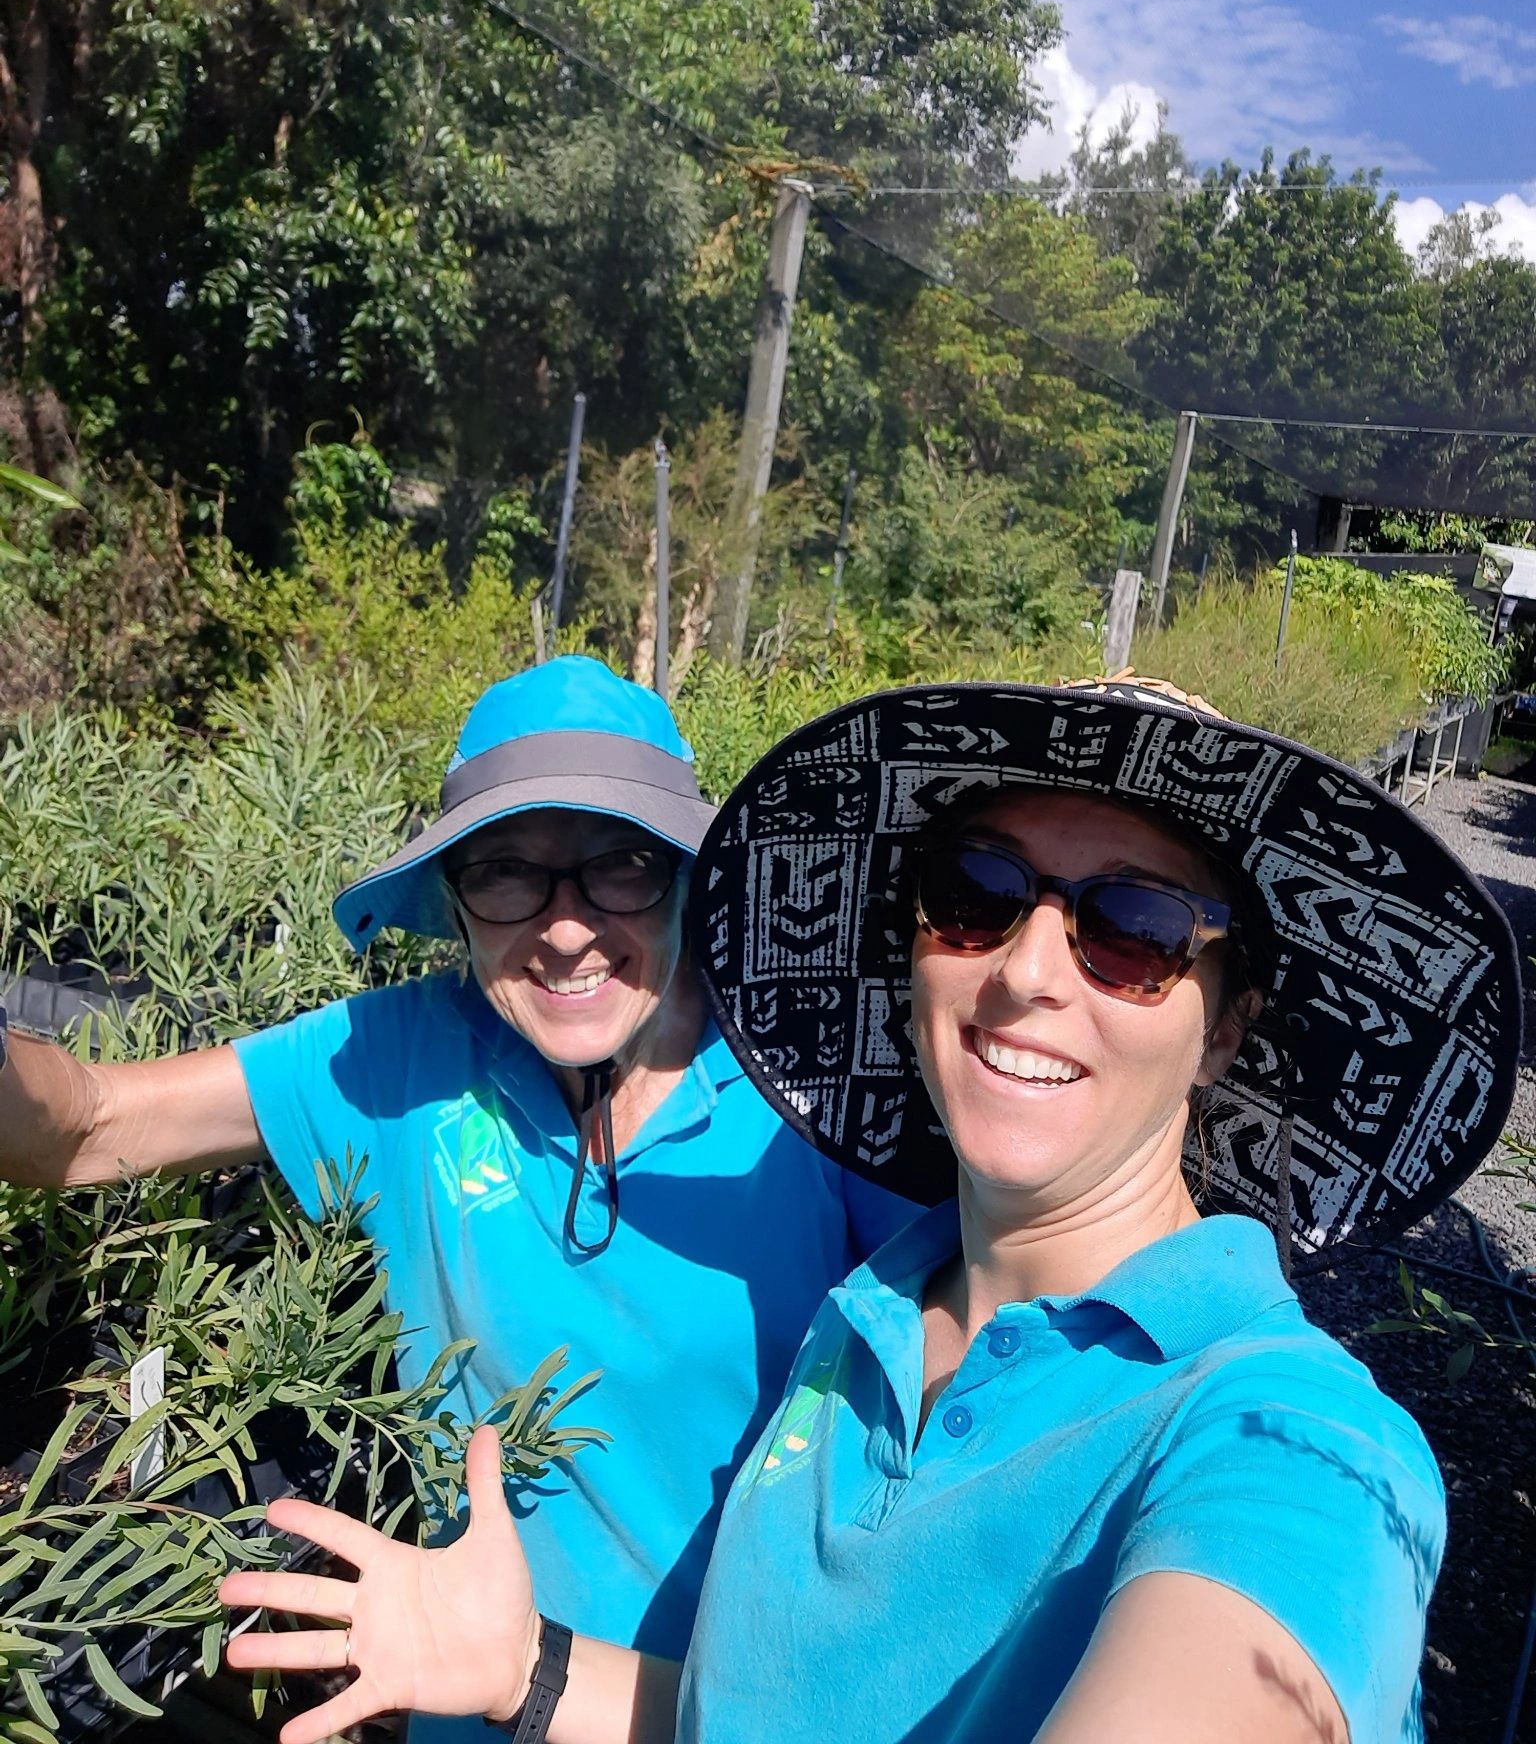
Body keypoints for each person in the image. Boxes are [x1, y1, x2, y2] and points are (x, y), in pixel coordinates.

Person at [220, 676, 1520, 1744]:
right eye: (978, 898)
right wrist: (529, 1667)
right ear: (914, 957)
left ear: (1225, 1031)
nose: (1026, 971)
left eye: (1135, 928)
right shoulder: (868, 1321)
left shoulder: (1290, 1445)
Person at [0, 656, 913, 1739]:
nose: (565, 927)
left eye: (620, 864)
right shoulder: (404, 1056)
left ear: (687, 872)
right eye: (508, 872)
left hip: (736, 1719)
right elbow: (91, 1122)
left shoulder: (806, 1089)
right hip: (471, 1704)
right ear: (454, 898)